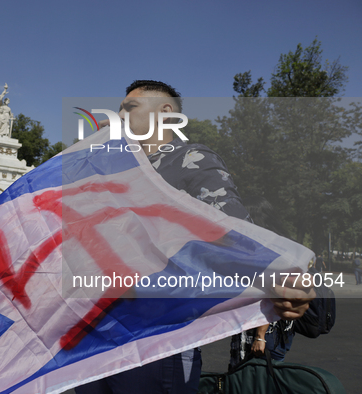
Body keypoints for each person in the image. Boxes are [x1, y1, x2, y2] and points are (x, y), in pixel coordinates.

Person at [75, 80, 312, 394]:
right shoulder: (113, 169)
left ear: (165, 112)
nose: (118, 115)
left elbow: (233, 231)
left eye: (129, 108)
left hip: (157, 343)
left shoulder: (189, 159)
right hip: (97, 338)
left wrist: (282, 279)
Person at [229, 196, 295, 369]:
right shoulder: (283, 247)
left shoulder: (265, 251)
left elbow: (270, 293)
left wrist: (260, 335)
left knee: (250, 378)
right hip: (279, 331)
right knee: (265, 378)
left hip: (263, 331)